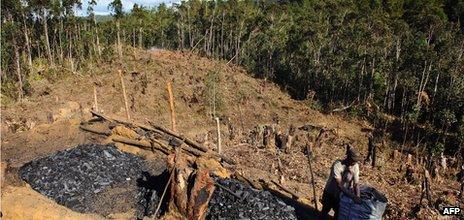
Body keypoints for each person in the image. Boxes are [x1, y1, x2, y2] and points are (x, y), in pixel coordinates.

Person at [321, 145, 362, 219]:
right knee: (325, 211)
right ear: (348, 158)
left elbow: (356, 183)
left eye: (356, 161)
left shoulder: (355, 166)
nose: (355, 162)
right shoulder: (338, 165)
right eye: (353, 160)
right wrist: (353, 196)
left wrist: (358, 196)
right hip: (330, 192)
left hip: (342, 196)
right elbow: (339, 185)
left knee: (338, 214)